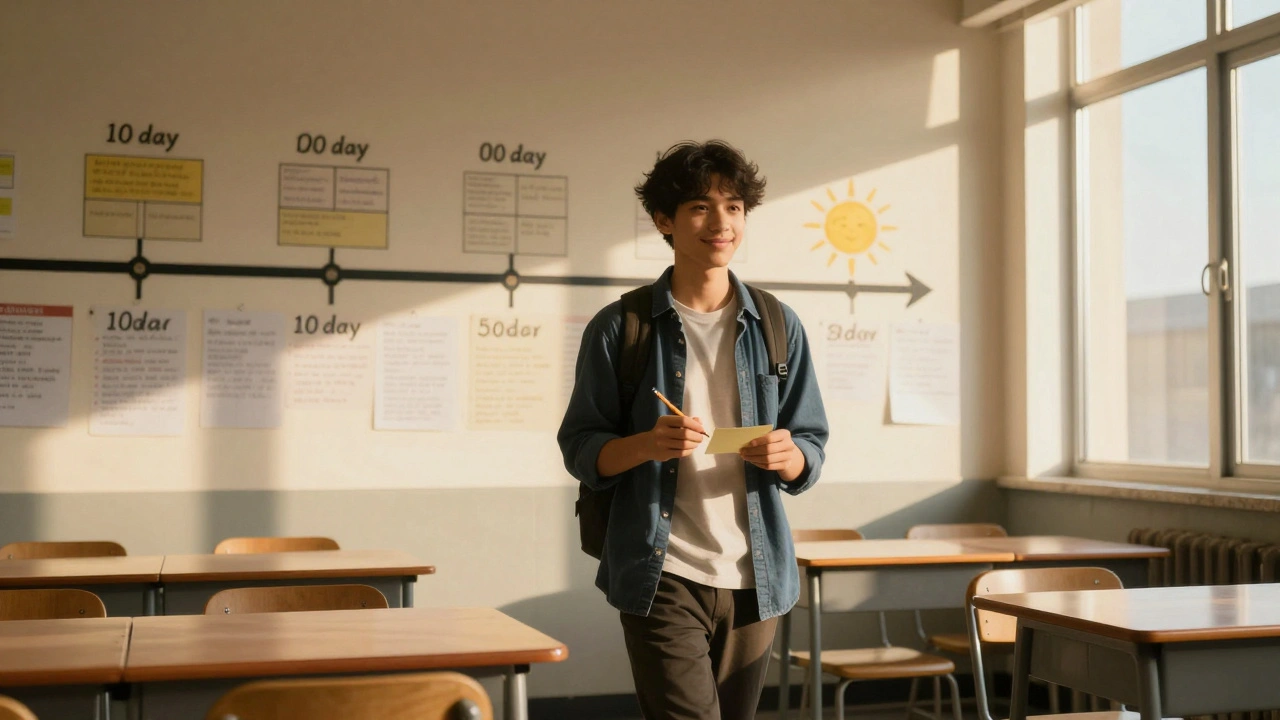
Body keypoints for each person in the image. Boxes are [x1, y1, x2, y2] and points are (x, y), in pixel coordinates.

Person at [558, 140, 829, 720]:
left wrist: (790, 457)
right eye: (701, 207)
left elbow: (810, 441)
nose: (721, 223)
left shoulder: (778, 324)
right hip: (661, 572)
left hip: (757, 574)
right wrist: (645, 445)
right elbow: (580, 448)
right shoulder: (620, 327)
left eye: (734, 207)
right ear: (665, 220)